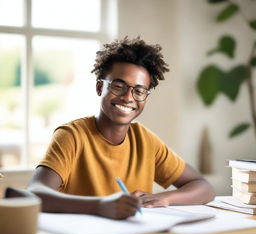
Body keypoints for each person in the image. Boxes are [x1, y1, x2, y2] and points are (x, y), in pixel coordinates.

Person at [26, 36, 215, 220]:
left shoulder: (146, 141)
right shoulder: (72, 136)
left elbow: (204, 188)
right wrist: (100, 206)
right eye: (118, 86)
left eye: (139, 91)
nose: (128, 97)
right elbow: (35, 193)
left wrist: (164, 198)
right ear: (100, 87)